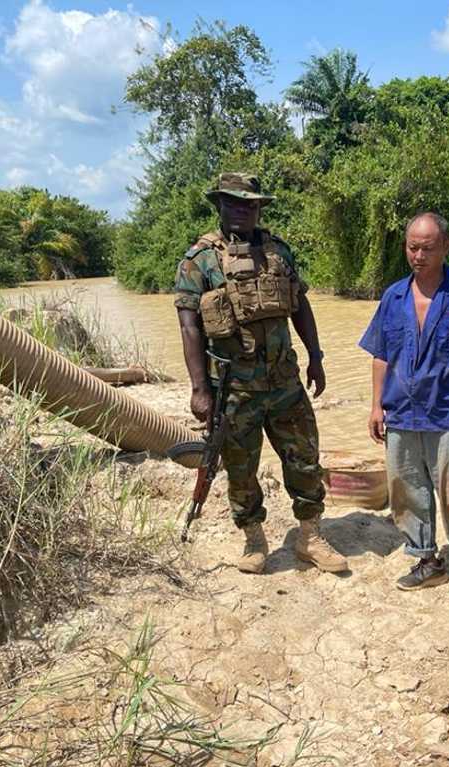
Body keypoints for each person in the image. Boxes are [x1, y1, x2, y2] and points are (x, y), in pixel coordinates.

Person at [172, 172, 346, 575]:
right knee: (240, 468)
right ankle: (253, 538)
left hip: (285, 382)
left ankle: (309, 535)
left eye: (249, 204)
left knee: (304, 459)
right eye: (233, 203)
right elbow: (188, 326)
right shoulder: (199, 261)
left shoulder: (278, 253)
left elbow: (300, 305)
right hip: (233, 389)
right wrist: (200, 389)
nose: (241, 211)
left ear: (258, 208)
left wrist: (315, 356)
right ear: (219, 205)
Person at [359, 212, 449, 604]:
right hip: (401, 412)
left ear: (446, 247)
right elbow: (381, 355)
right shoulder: (393, 296)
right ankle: (426, 560)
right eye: (412, 247)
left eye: (427, 247)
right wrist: (376, 406)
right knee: (406, 491)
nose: (418, 255)